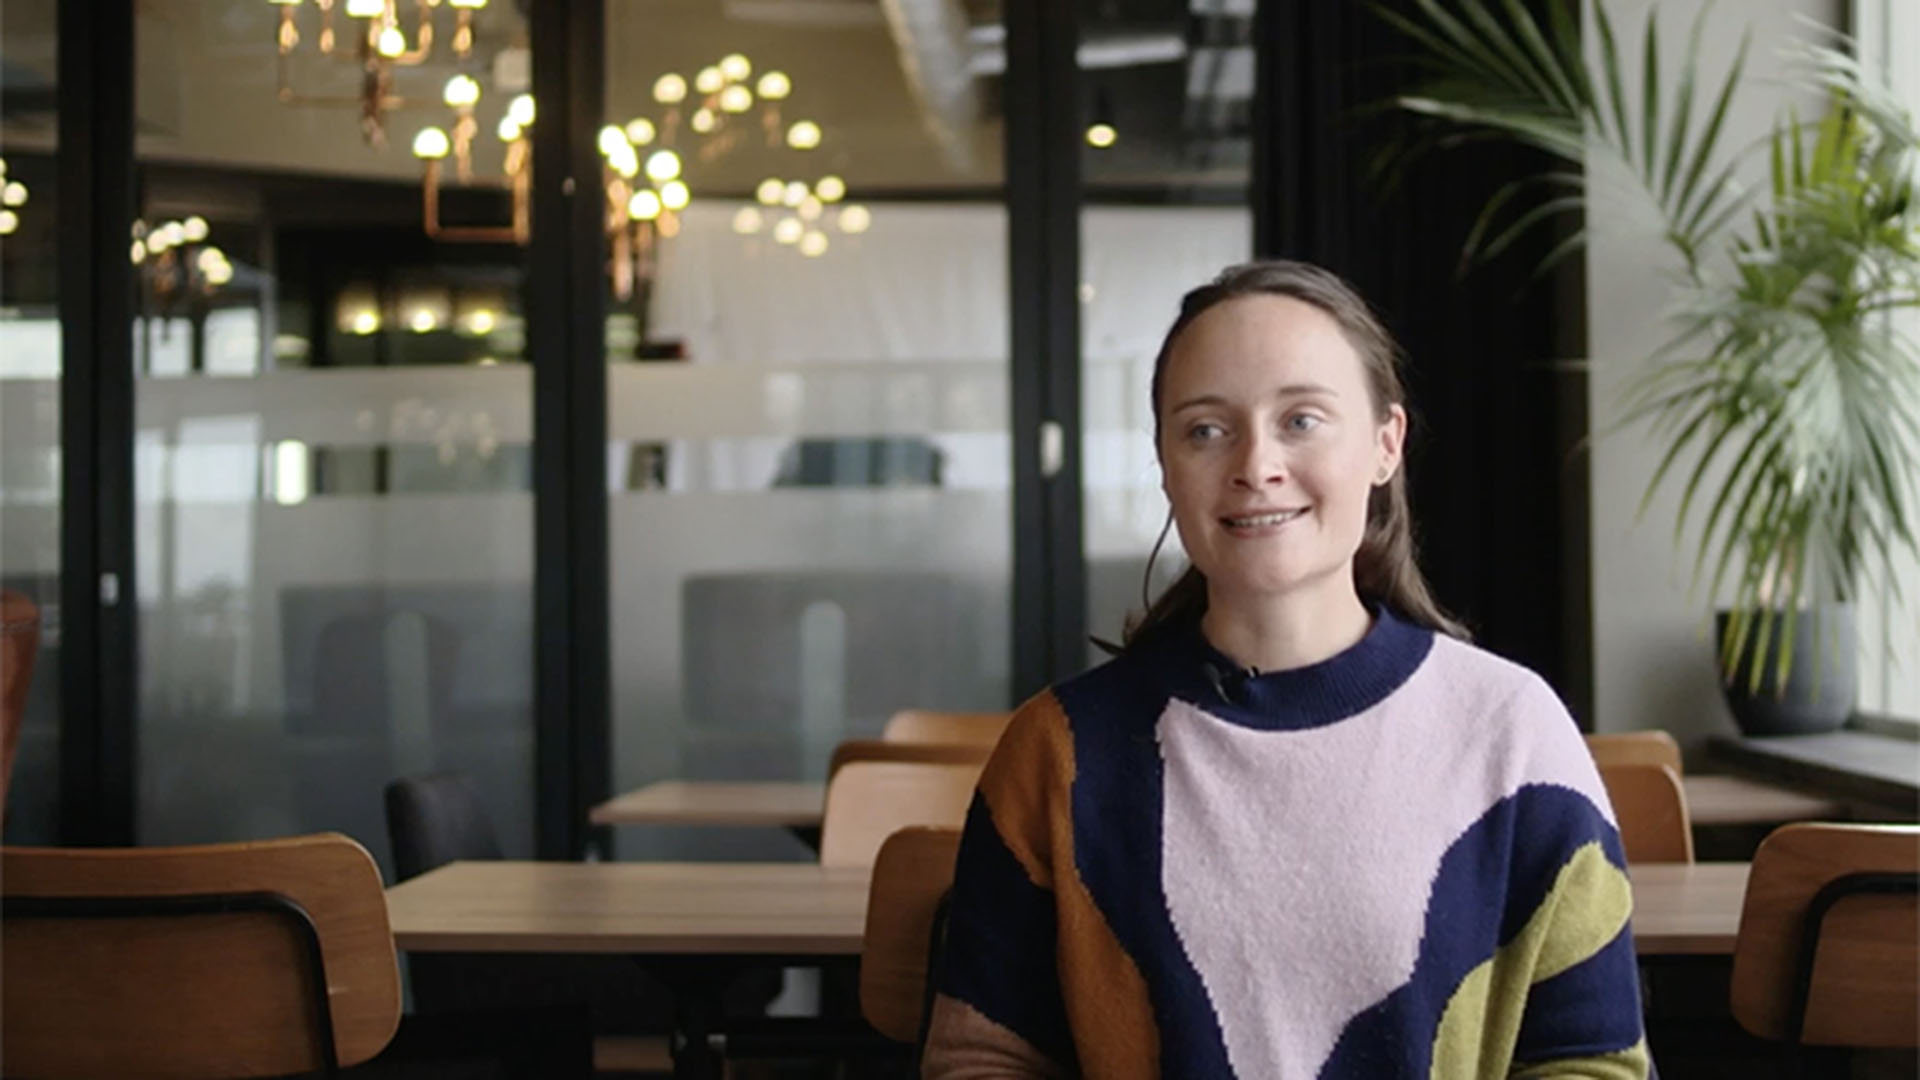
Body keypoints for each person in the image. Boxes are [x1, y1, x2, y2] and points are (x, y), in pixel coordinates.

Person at [922, 261, 1648, 1078]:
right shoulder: (1058, 752)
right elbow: (981, 1059)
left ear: (1385, 444)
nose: (1255, 464)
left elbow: (1593, 1063)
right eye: (1205, 429)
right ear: (1163, 464)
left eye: (1301, 419)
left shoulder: (1510, 731)